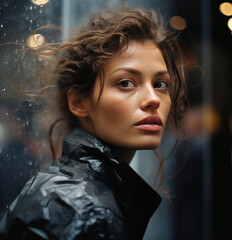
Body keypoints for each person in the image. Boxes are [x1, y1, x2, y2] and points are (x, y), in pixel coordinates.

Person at [0, 5, 186, 240]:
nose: (152, 99)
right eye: (126, 83)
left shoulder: (72, 192)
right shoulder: (86, 212)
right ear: (79, 102)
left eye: (160, 84)